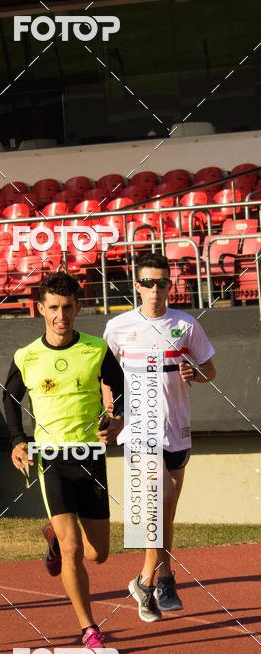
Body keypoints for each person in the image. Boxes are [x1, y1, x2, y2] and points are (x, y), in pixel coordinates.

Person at [2, 272, 124, 650]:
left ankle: (53, 539)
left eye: (67, 307)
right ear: (40, 308)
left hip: (90, 458)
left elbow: (119, 391)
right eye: (53, 308)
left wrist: (114, 422)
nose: (61, 315)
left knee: (97, 554)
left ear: (78, 307)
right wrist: (18, 441)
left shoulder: (97, 349)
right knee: (74, 551)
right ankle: (88, 628)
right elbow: (9, 399)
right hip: (51, 459)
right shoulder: (26, 356)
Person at [103, 251, 216, 621]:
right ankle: (164, 576)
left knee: (166, 511)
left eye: (162, 283)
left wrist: (194, 375)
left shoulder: (185, 325)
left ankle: (145, 581)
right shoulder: (118, 328)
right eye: (148, 283)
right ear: (137, 285)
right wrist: (112, 411)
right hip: (140, 429)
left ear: (171, 286)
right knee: (158, 501)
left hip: (178, 429)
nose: (155, 290)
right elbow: (111, 374)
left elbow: (210, 370)